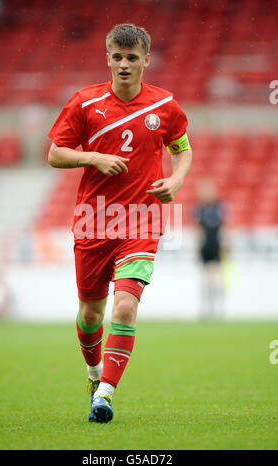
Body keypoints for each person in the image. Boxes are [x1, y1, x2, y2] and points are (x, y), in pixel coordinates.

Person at [48, 24, 192, 423]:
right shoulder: (84, 102)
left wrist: (176, 180)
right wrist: (93, 158)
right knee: (91, 314)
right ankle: (94, 374)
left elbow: (183, 149)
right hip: (93, 222)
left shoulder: (165, 106)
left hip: (142, 221)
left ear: (146, 59)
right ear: (107, 57)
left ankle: (105, 395)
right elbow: (56, 154)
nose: (124, 64)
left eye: (132, 57)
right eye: (117, 56)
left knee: (125, 307)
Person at [194, 178, 228, 320]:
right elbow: (199, 229)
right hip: (205, 246)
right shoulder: (200, 209)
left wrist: (225, 244)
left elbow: (225, 227)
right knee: (204, 280)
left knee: (216, 279)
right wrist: (197, 246)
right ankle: (206, 310)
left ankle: (217, 310)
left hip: (216, 245)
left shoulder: (219, 207)